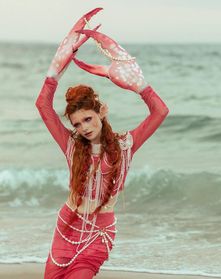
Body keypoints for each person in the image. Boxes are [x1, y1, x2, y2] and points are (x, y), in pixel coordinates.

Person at [35, 9, 169, 279]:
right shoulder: (71, 145)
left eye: (87, 119)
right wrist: (54, 71)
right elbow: (42, 104)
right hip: (66, 227)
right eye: (77, 123)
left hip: (99, 233)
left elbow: (160, 111)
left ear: (102, 112)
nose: (83, 127)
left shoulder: (125, 145)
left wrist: (139, 85)